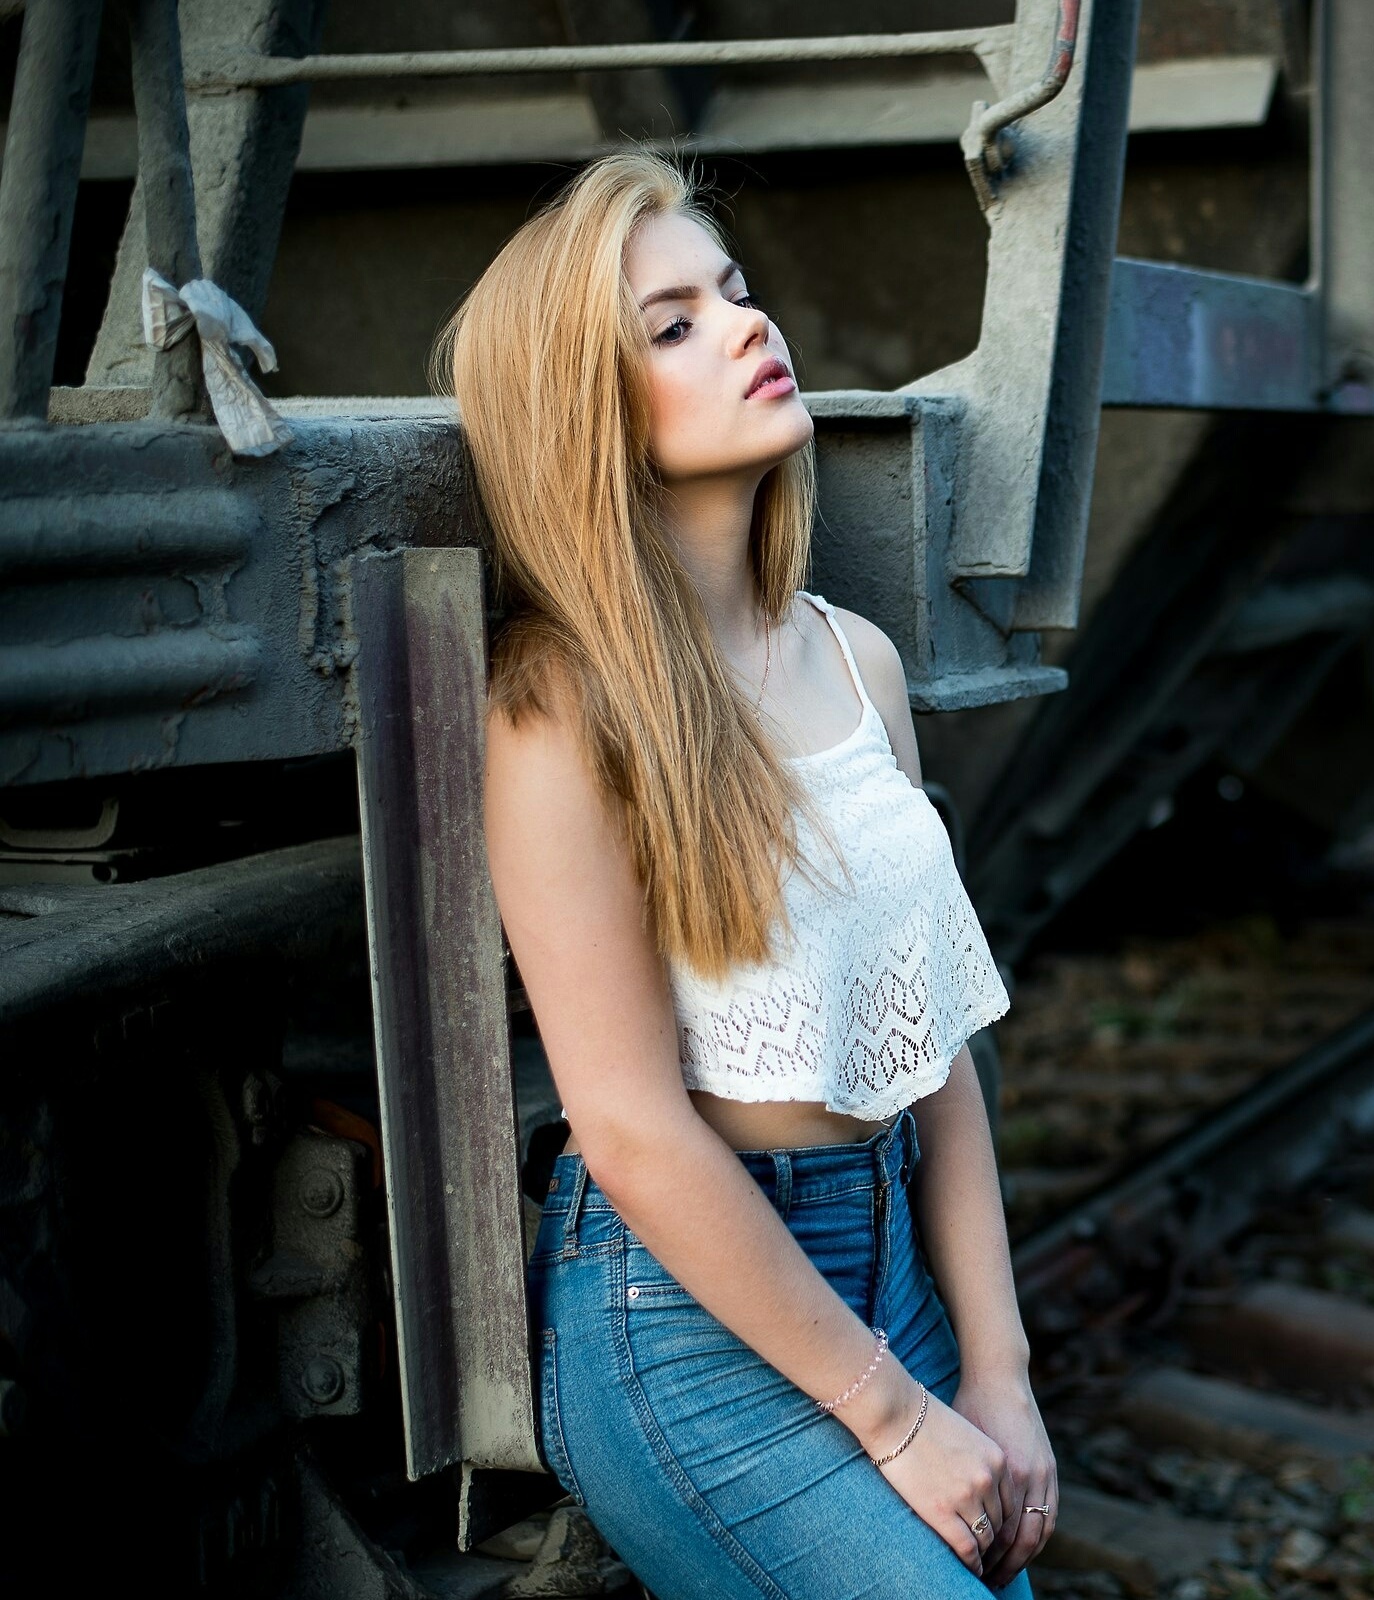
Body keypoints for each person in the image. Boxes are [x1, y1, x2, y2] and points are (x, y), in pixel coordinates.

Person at [450, 151, 1055, 1597]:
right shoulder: (561, 717)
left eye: (731, 289)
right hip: (685, 1331)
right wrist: (898, 1417)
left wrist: (1002, 1371)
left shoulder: (859, 663)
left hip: (889, 1266)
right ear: (582, 407)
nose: (745, 323)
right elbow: (634, 1129)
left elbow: (936, 1057)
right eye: (671, 324)